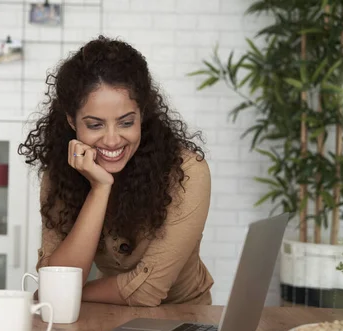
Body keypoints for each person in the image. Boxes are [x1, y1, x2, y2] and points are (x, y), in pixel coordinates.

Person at [19, 36, 214, 307]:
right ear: (71, 121)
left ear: (142, 114)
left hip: (183, 318)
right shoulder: (62, 173)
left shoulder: (186, 171)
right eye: (95, 125)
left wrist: (67, 294)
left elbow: (148, 290)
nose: (112, 141)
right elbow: (57, 276)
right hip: (108, 315)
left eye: (125, 122)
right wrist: (99, 189)